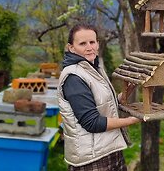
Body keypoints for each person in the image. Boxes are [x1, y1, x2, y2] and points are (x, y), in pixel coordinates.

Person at [58, 23, 140, 171]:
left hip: (108, 149)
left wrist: (130, 89)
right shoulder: (74, 77)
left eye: (92, 42)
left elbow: (107, 104)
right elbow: (92, 122)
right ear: (71, 48)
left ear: (98, 44)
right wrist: (131, 120)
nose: (89, 47)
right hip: (91, 159)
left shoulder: (93, 68)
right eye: (82, 43)